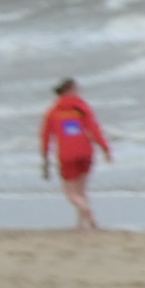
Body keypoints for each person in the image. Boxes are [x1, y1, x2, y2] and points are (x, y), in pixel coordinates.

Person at [40, 79, 111, 230]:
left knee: (71, 193)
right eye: (77, 89)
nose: (79, 92)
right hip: (86, 152)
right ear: (69, 90)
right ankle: (82, 224)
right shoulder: (82, 108)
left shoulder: (53, 112)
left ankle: (87, 212)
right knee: (81, 191)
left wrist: (45, 157)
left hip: (67, 155)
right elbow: (95, 130)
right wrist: (105, 149)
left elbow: (45, 137)